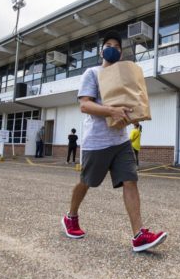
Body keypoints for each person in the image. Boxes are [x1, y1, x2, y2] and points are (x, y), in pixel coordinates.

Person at [61, 31, 167, 252]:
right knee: (86, 182)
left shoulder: (125, 75)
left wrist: (133, 112)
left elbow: (128, 104)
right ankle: (71, 217)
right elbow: (85, 105)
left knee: (130, 181)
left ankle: (139, 235)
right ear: (102, 50)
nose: (112, 48)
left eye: (117, 46)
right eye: (108, 45)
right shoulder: (92, 73)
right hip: (96, 142)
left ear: (121, 52)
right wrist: (111, 110)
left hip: (121, 141)